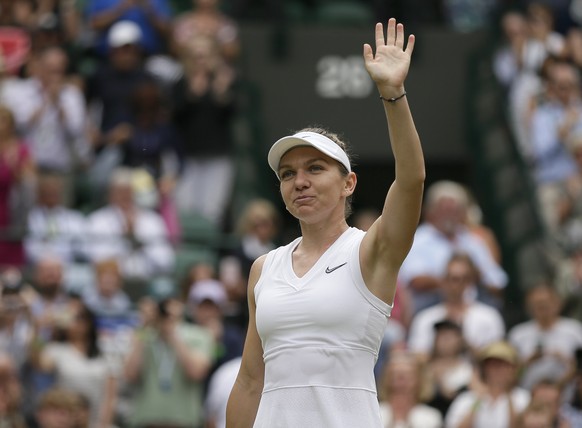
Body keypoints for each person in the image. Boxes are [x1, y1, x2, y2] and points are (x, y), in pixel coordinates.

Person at [226, 18, 425, 428]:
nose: (299, 181)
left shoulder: (370, 251)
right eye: (287, 174)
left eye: (315, 168)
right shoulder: (263, 268)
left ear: (348, 183)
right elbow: (249, 382)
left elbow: (411, 180)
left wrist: (393, 94)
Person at [444, 341, 530, 428]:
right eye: (492, 365)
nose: (497, 370)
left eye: (504, 365)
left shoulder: (523, 398)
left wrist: (508, 395)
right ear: (484, 369)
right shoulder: (467, 399)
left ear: (514, 369)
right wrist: (479, 400)